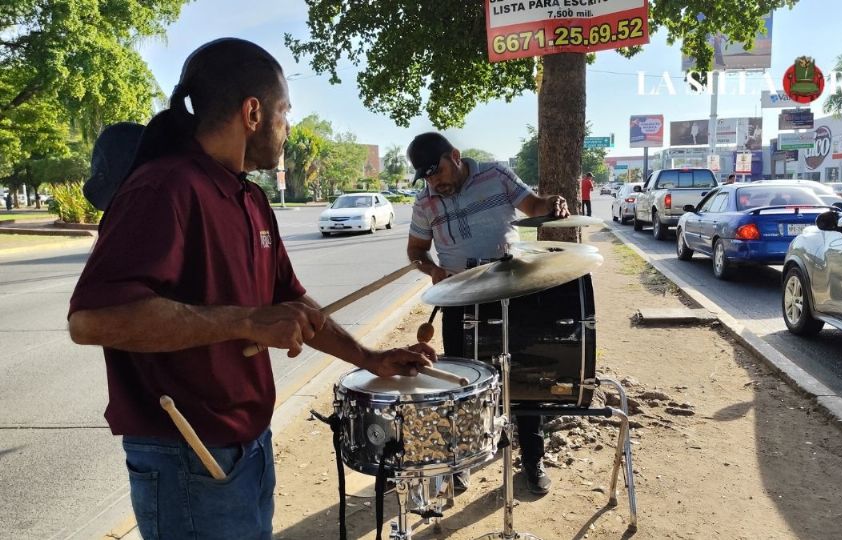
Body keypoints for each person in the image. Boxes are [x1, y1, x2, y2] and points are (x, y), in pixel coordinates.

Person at [67, 38, 433, 540]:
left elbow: (291, 301)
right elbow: (92, 319)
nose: (288, 127)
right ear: (253, 112)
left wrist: (368, 359)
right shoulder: (165, 188)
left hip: (247, 443)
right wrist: (242, 319)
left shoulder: (249, 197)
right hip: (188, 455)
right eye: (285, 111)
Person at [405, 132, 569, 496]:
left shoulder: (496, 175)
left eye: (438, 172)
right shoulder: (424, 203)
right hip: (459, 297)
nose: (435, 182)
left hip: (512, 288)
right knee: (461, 383)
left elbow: (534, 205)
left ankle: (532, 460)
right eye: (428, 176)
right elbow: (416, 250)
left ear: (456, 156)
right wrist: (431, 270)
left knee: (525, 376)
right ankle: (460, 463)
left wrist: (551, 204)